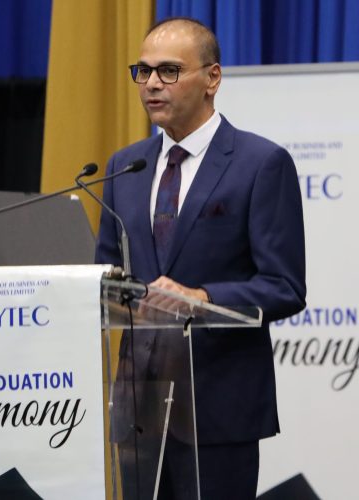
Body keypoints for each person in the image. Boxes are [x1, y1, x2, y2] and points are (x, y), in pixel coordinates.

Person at [96, 17, 306, 499]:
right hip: (139, 409)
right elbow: (106, 275)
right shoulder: (125, 166)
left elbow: (285, 286)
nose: (151, 83)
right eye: (143, 71)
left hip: (218, 406)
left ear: (212, 78)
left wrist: (201, 297)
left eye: (169, 71)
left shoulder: (260, 164)